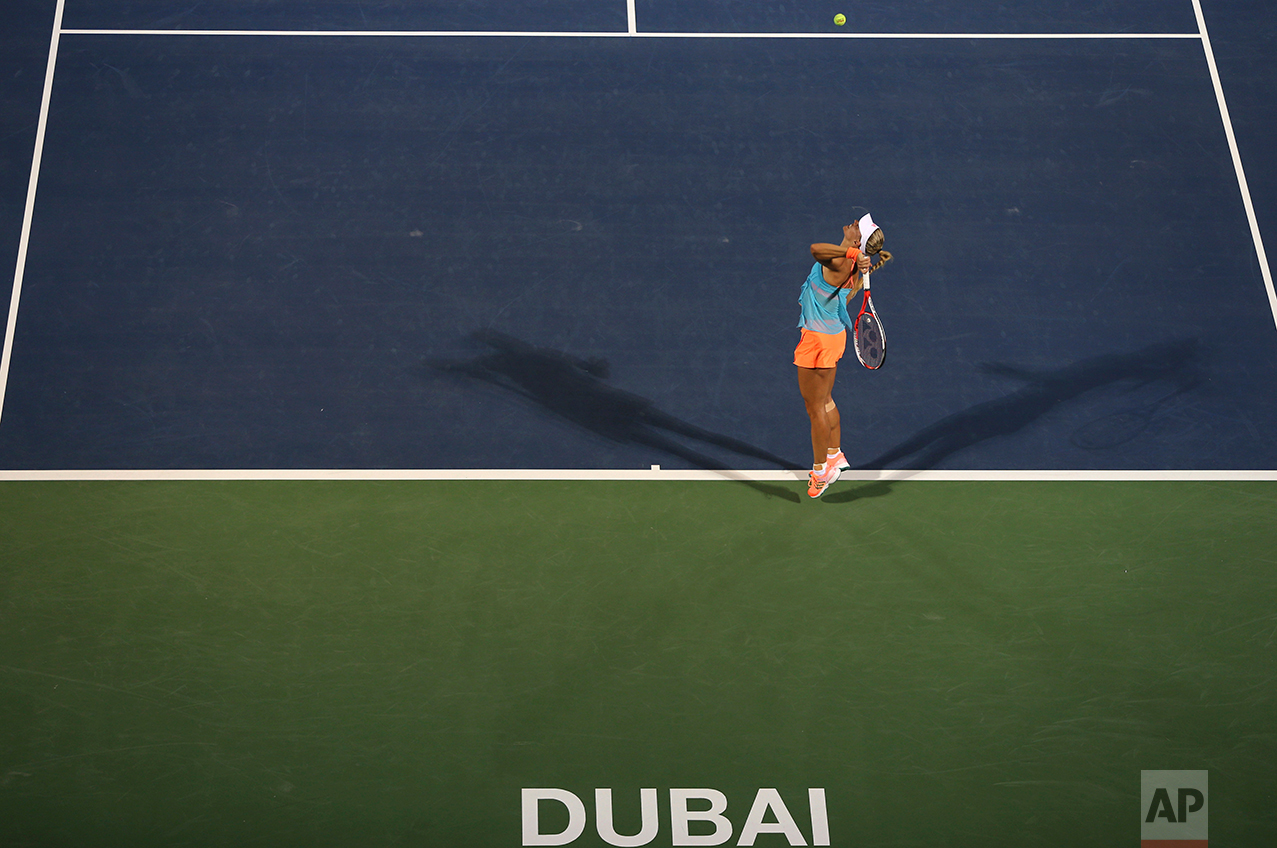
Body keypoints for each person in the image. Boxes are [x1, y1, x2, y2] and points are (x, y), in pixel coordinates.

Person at [795, 213, 880, 498]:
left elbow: (814, 249)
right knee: (826, 400)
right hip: (832, 337)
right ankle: (835, 454)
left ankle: (821, 472)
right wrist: (855, 252)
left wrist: (851, 251)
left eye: (859, 226)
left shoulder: (841, 261)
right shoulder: (850, 262)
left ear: (858, 241)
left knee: (814, 408)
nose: (854, 222)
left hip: (817, 342)